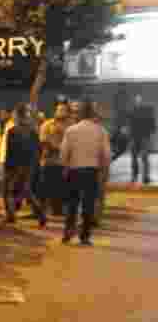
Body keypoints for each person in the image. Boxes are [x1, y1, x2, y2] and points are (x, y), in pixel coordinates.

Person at [60, 100, 111, 245]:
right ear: (93, 114)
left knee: (72, 203)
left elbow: (64, 154)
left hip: (74, 170)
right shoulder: (101, 131)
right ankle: (85, 236)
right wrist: (104, 171)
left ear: (81, 114)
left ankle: (68, 233)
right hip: (92, 171)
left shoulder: (71, 130)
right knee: (89, 203)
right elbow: (106, 155)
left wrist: (64, 167)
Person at [2, 103, 47, 226]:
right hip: (30, 166)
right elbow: (38, 149)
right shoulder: (33, 131)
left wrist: (7, 167)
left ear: (17, 115)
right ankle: (41, 214)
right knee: (27, 191)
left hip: (15, 166)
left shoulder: (13, 130)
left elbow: (10, 151)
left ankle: (11, 216)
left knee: (8, 191)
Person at [39, 102, 72, 216]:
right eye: (59, 110)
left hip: (65, 162)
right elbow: (43, 141)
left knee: (62, 187)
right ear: (55, 111)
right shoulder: (47, 124)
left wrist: (59, 148)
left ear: (68, 112)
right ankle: (41, 211)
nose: (60, 112)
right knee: (45, 186)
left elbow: (73, 144)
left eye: (63, 110)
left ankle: (58, 210)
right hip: (49, 161)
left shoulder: (72, 126)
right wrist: (58, 147)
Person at [129, 94, 155, 185]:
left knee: (144, 157)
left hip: (144, 136)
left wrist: (151, 133)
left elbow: (152, 122)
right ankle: (135, 176)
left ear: (141, 100)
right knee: (135, 157)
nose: (137, 100)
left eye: (139, 99)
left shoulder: (147, 110)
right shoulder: (132, 111)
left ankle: (145, 177)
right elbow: (130, 124)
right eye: (136, 99)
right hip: (135, 137)